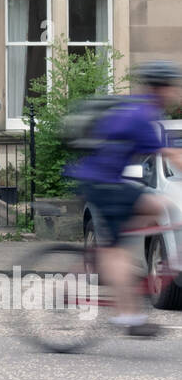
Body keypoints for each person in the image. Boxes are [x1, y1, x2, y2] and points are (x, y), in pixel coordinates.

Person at [69, 61, 182, 337]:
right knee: (160, 210)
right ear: (161, 89)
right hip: (105, 183)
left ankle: (108, 258)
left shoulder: (135, 107)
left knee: (155, 210)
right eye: (172, 87)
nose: (175, 93)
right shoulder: (143, 116)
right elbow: (172, 156)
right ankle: (128, 316)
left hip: (101, 180)